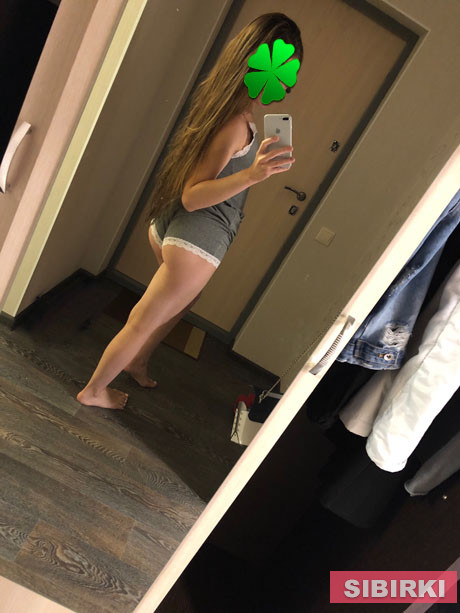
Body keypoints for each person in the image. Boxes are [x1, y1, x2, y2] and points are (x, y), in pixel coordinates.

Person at [76, 12, 303, 409]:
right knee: (143, 320)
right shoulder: (235, 123)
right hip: (196, 237)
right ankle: (94, 391)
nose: (286, 79)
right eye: (286, 66)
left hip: (177, 230)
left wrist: (250, 168)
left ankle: (138, 361)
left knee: (180, 303)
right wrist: (253, 174)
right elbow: (193, 196)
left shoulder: (225, 106)